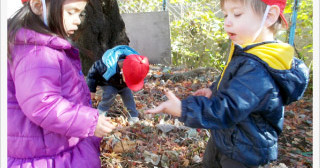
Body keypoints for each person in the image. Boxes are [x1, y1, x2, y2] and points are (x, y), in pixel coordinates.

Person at [145, 0, 309, 167]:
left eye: (237, 14)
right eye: (226, 15)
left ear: (270, 16)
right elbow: (234, 83)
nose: (227, 21)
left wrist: (184, 109)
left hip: (244, 150)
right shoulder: (249, 52)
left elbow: (229, 108)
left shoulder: (258, 69)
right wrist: (213, 90)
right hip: (228, 136)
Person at [7, 0, 116, 167]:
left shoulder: (40, 47)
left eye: (80, 13)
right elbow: (42, 104)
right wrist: (89, 122)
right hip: (49, 157)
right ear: (37, 6)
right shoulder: (37, 53)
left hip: (53, 147)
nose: (78, 20)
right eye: (71, 12)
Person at [86, 46, 149, 125]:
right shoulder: (105, 66)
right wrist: (91, 89)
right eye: (130, 80)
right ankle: (100, 114)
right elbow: (92, 74)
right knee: (109, 95)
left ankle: (133, 116)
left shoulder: (136, 64)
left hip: (123, 85)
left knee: (128, 97)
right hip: (108, 82)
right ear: (122, 71)